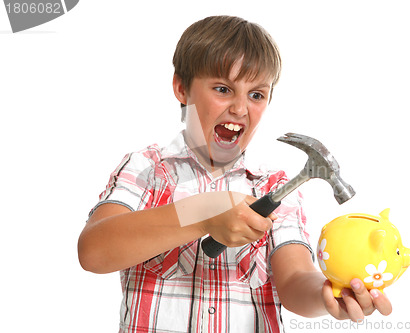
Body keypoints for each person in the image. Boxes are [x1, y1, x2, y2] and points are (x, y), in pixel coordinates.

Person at [78, 15, 392, 333]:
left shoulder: (276, 188)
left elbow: (296, 281)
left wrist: (329, 294)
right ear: (181, 88)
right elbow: (94, 252)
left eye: (256, 95)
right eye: (223, 89)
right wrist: (203, 212)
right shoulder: (147, 169)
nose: (240, 109)